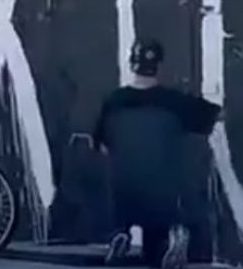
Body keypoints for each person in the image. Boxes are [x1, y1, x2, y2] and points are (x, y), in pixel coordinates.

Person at [94, 38, 221, 269]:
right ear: (159, 66)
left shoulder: (114, 101)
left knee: (121, 196)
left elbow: (102, 146)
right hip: (162, 194)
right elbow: (214, 117)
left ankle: (120, 233)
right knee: (162, 218)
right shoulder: (173, 101)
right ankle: (169, 240)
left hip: (125, 191)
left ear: (132, 64)